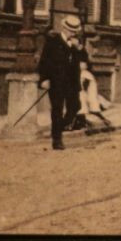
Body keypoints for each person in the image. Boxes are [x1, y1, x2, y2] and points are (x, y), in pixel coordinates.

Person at [37, 15, 85, 150]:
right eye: (70, 30)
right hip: (56, 82)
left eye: (75, 31)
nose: (73, 33)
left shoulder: (76, 43)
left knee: (75, 106)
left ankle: (61, 125)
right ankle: (57, 140)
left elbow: (85, 59)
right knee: (57, 110)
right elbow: (44, 62)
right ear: (64, 28)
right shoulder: (53, 41)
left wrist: (79, 48)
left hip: (72, 83)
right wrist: (44, 79)